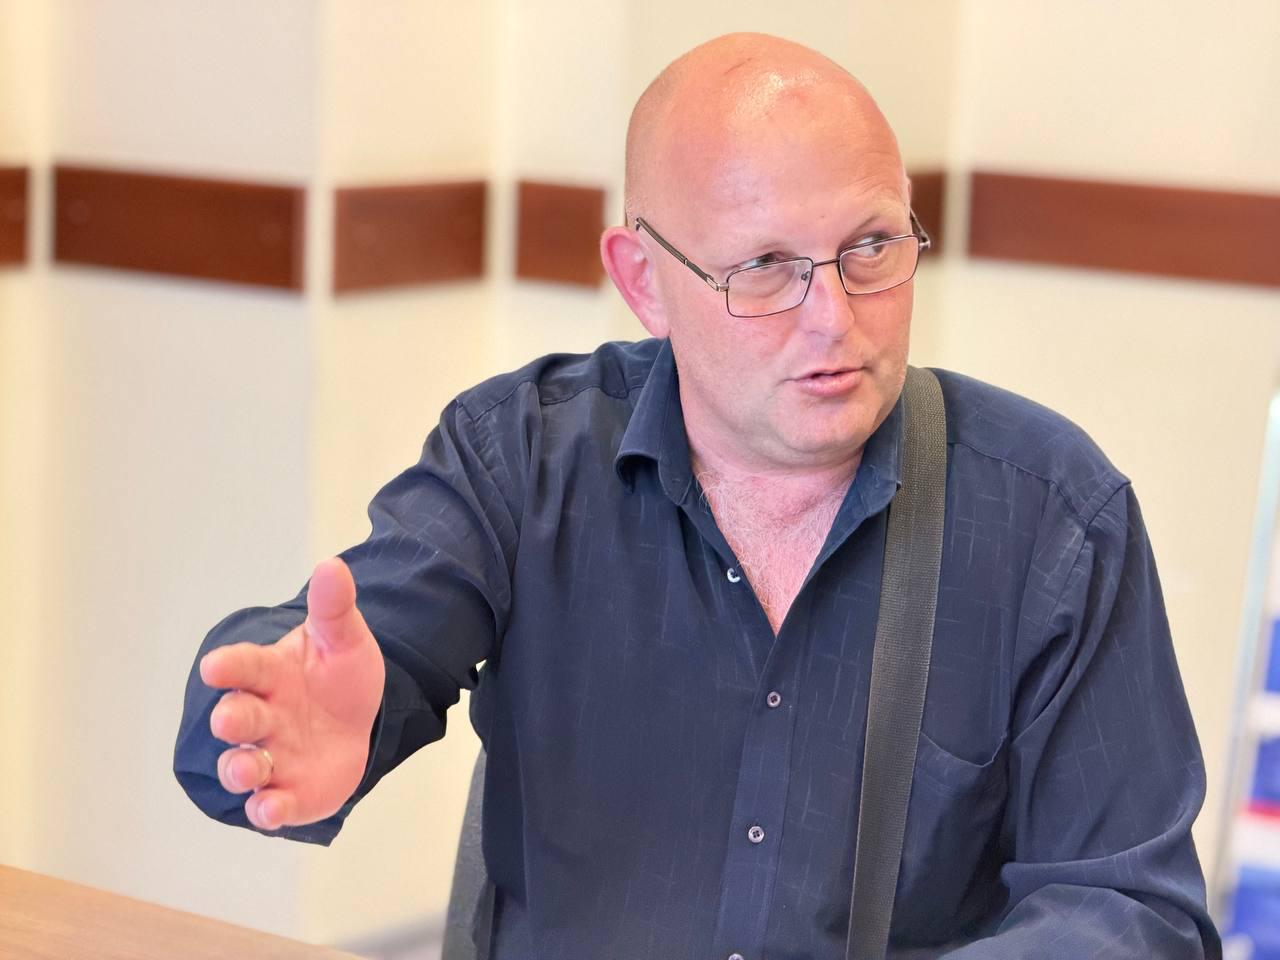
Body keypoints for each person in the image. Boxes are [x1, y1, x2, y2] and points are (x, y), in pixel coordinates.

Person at [174, 32, 1220, 959]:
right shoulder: (523, 459)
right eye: (763, 266)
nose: (833, 317)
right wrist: (267, 726)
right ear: (643, 281)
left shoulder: (1051, 518)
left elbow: (1133, 911)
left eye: (869, 247)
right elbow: (326, 672)